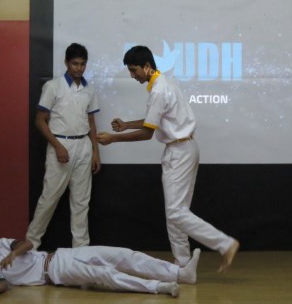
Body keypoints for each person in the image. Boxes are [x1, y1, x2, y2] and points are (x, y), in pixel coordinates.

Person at [96, 45, 239, 273]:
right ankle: (183, 266)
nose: (132, 75)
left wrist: (113, 138)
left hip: (179, 152)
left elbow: (147, 133)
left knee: (175, 212)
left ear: (147, 66)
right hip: (184, 148)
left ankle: (224, 244)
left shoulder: (159, 90)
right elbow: (155, 120)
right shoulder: (165, 84)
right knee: (176, 212)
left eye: (134, 70)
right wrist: (126, 125)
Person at [0, 228, 201, 298]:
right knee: (104, 274)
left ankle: (180, 274)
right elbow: (2, 284)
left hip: (61, 255)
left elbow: (27, 244)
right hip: (54, 272)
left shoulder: (0, 242)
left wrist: (13, 254)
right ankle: (157, 287)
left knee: (124, 255)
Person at [27, 43, 100, 249]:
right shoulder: (53, 86)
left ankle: (81, 250)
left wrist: (95, 152)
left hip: (83, 145)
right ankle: (30, 244)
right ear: (66, 63)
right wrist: (57, 146)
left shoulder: (89, 89)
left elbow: (91, 121)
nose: (79, 68)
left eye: (83, 64)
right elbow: (40, 120)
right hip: (60, 143)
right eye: (75, 63)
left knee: (81, 201)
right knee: (49, 197)